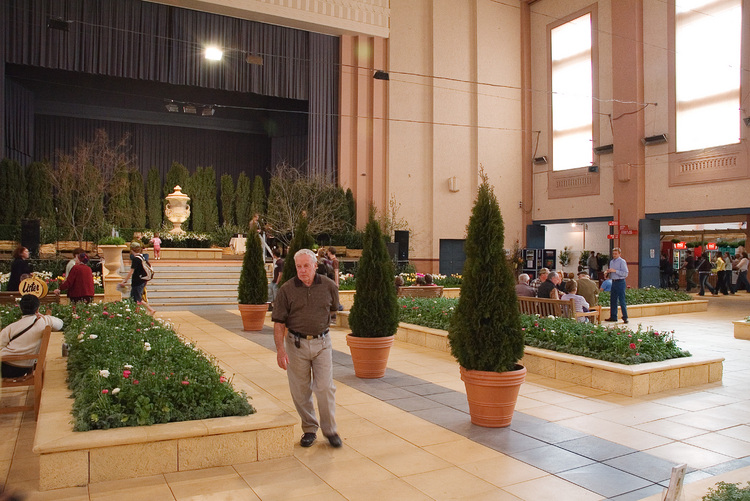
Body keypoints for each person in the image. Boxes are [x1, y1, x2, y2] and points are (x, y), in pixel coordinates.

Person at [272, 249, 341, 448]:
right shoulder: (287, 289)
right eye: (299, 267)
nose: (302, 271)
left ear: (315, 266)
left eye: (306, 266)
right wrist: (280, 350)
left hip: (322, 344)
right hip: (295, 345)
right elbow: (278, 323)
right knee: (300, 391)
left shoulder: (328, 286)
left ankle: (330, 430)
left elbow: (334, 309)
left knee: (325, 387)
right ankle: (310, 428)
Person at [0, 295, 64, 378]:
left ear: (20, 308)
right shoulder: (44, 321)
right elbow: (60, 324)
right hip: (24, 367)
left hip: (6, 366)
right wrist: (44, 316)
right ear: (37, 308)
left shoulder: (12, 327)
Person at [121, 242, 156, 316]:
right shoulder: (142, 257)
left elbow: (131, 271)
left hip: (137, 281)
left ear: (132, 250)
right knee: (135, 298)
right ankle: (138, 312)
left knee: (137, 298)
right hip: (142, 280)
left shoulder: (136, 259)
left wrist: (125, 281)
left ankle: (143, 311)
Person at [604, 247, 628, 323]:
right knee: (613, 300)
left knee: (621, 300)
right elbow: (612, 272)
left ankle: (625, 317)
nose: (614, 255)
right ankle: (613, 316)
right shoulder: (611, 262)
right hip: (613, 281)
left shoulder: (622, 261)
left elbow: (625, 273)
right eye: (613, 254)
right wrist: (608, 273)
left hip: (620, 282)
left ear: (619, 254)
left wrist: (615, 271)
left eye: (616, 254)